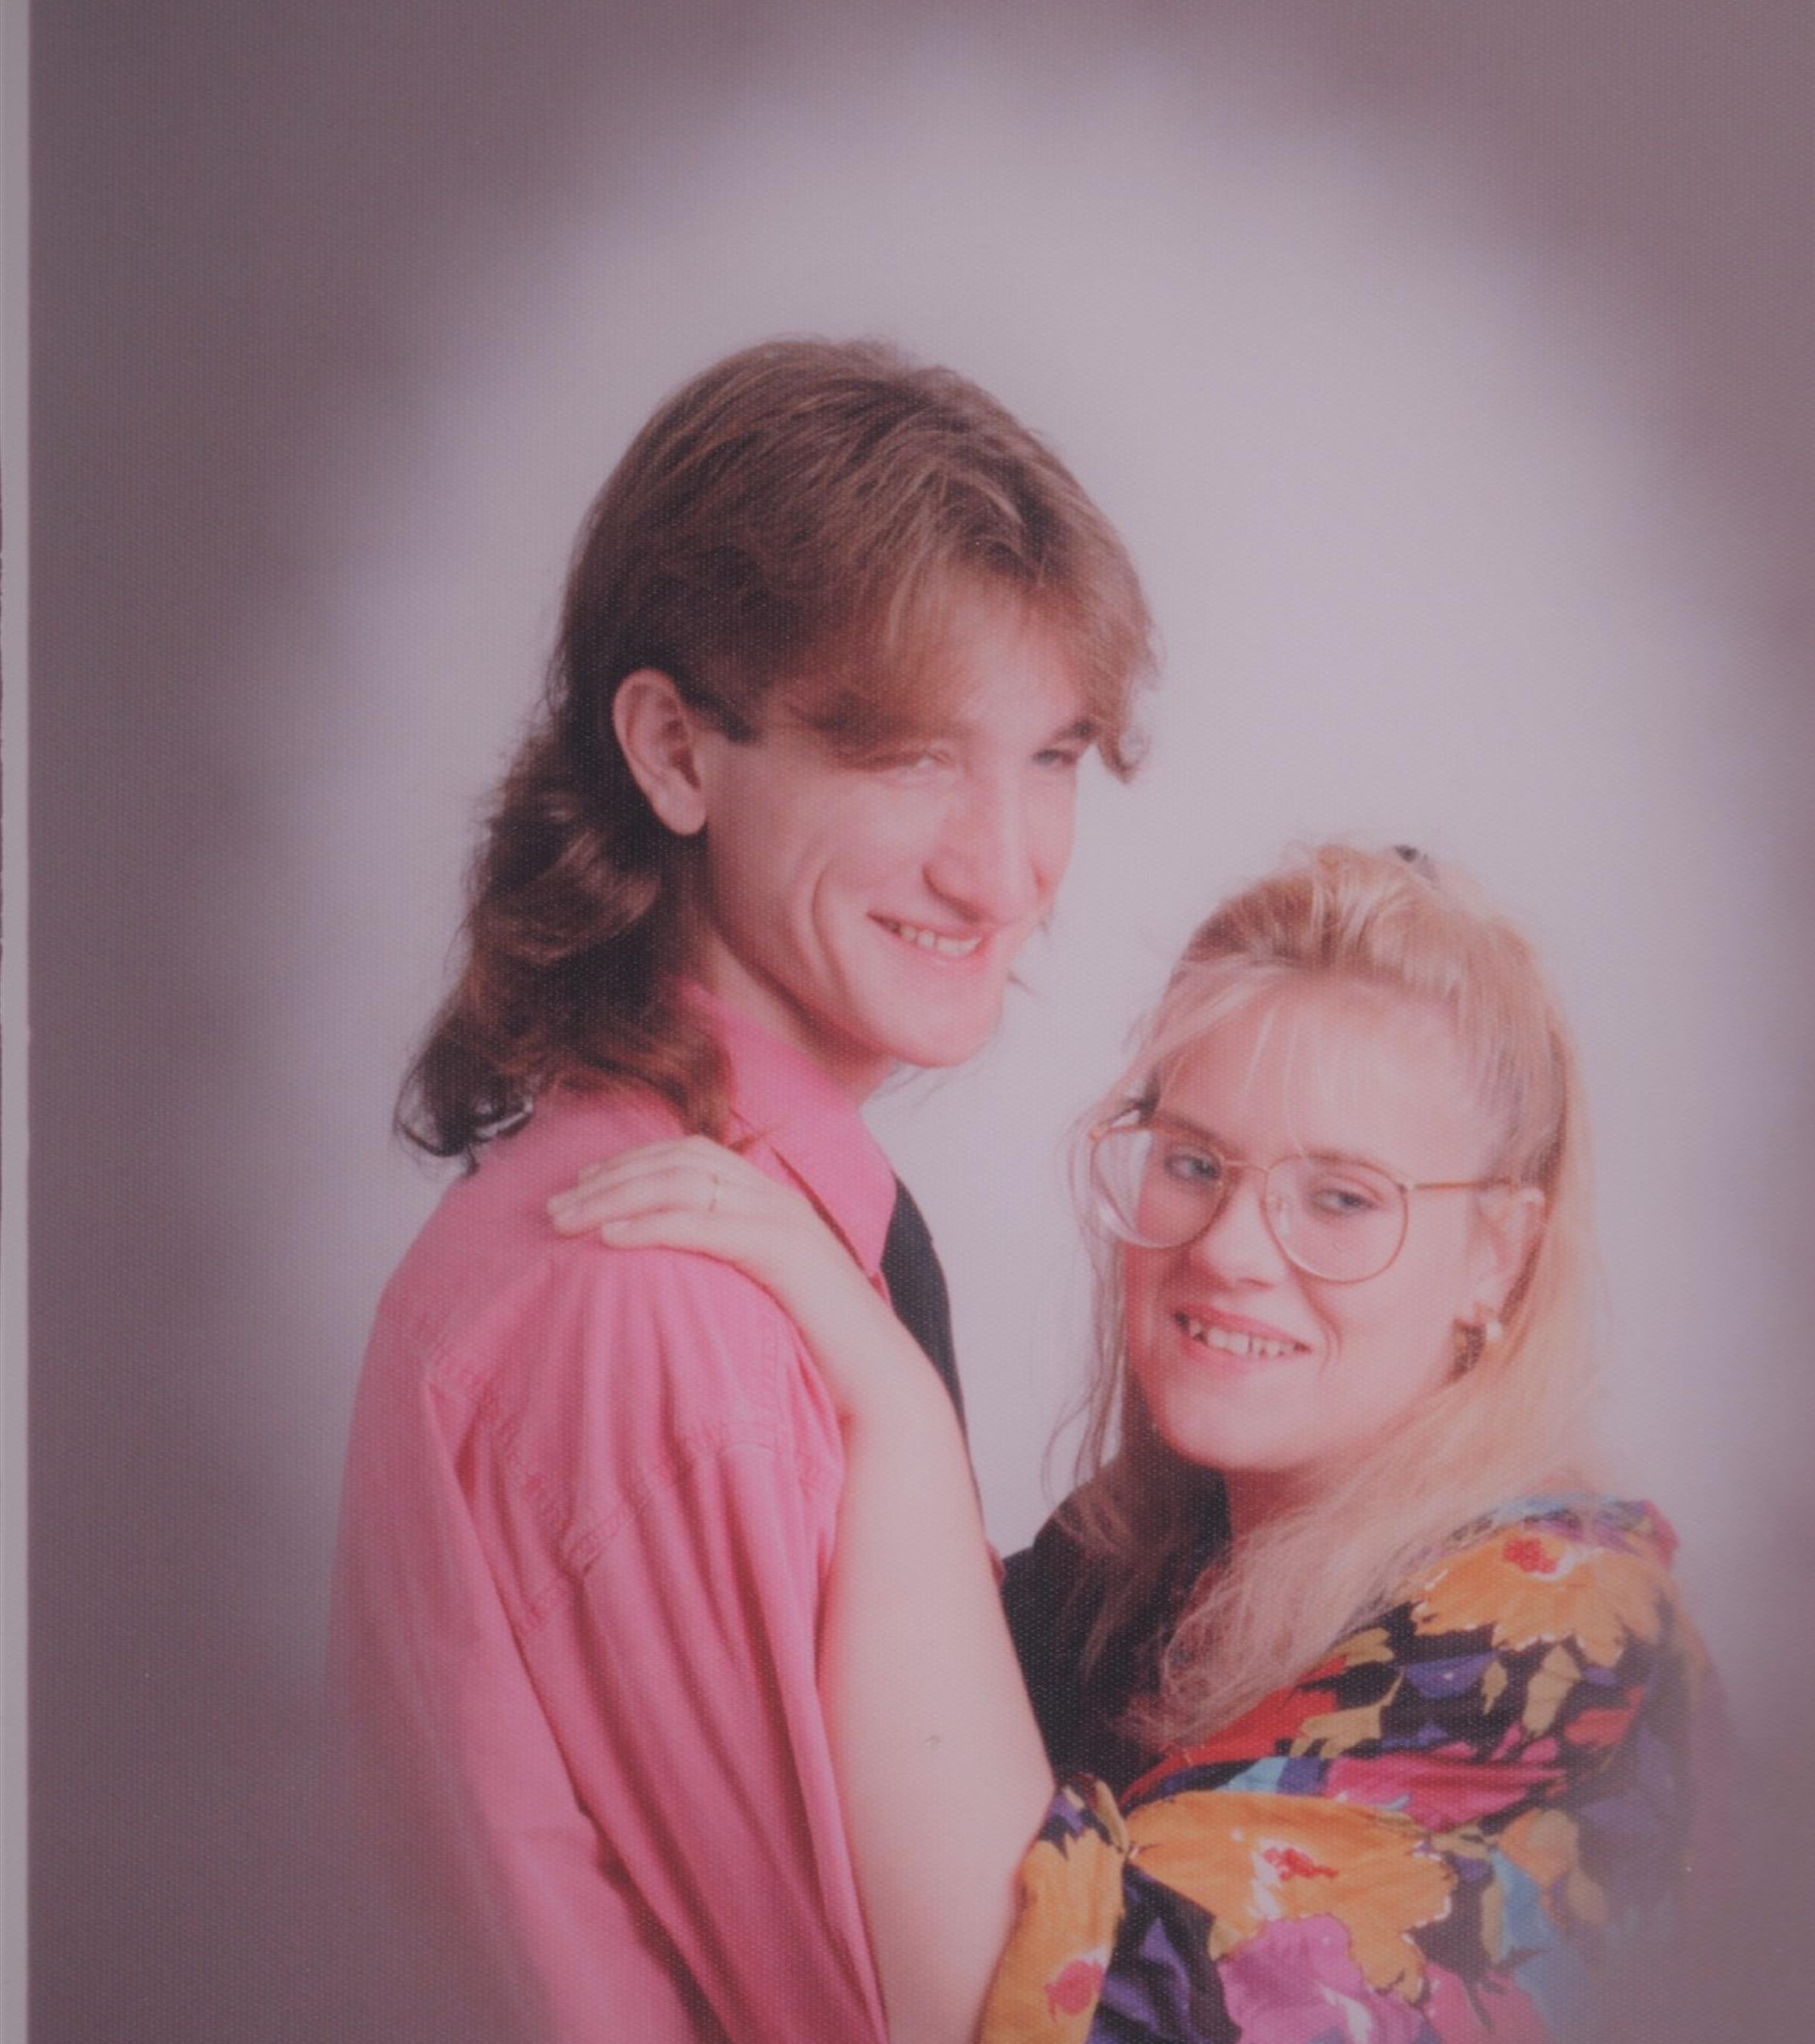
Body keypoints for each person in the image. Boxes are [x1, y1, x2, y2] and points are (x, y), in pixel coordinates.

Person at [328, 336, 1155, 2042]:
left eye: (1054, 756)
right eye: (910, 755)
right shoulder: (673, 1309)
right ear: (675, 752)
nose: (1005, 872)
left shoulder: (743, 1236)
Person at [552, 839, 1718, 2044]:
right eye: (1194, 1164)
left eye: (1342, 1198)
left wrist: (897, 1409)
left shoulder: (1575, 1650)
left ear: (1500, 1257)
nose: (1229, 1250)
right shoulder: (1153, 1560)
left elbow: (1048, 2017)